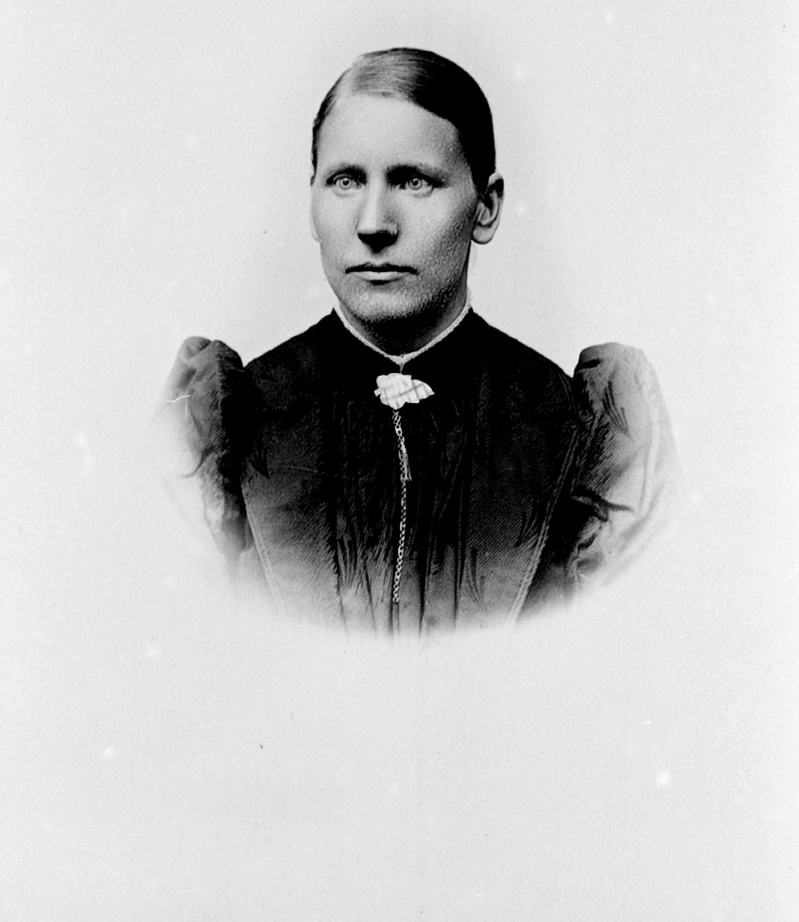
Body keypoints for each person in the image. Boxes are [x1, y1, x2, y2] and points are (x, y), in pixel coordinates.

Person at [158, 48, 679, 634]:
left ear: (486, 207)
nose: (373, 224)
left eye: (413, 181)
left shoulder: (576, 429)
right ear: (312, 200)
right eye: (345, 181)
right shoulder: (233, 423)